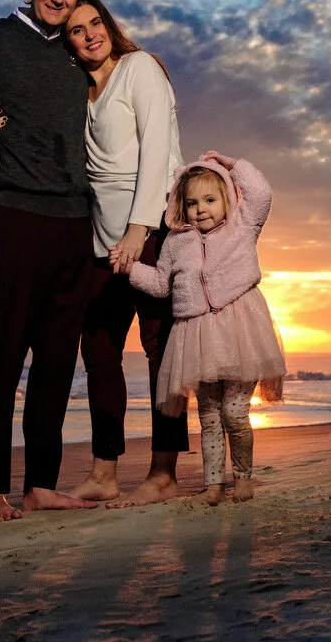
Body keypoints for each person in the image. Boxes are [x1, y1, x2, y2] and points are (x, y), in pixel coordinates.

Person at [0, 0, 99, 521]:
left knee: (58, 363)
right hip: (14, 215)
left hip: (76, 222)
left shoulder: (81, 50)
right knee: (4, 356)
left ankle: (41, 484)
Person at [60, 0, 188, 507]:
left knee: (162, 351)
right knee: (98, 350)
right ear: (67, 42)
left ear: (108, 25)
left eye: (96, 22)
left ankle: (163, 472)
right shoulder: (79, 91)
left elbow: (158, 150)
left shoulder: (139, 68)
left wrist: (139, 230)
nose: (90, 33)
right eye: (76, 29)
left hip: (152, 232)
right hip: (100, 242)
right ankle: (104, 471)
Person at [121, 152, 285, 504]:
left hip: (241, 333)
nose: (201, 209)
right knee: (208, 416)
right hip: (196, 337)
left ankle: (243, 476)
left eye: (210, 199)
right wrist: (130, 269)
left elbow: (261, 193)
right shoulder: (177, 242)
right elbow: (161, 284)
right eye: (192, 202)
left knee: (234, 412)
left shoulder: (243, 226)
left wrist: (231, 164)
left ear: (226, 197)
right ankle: (214, 485)